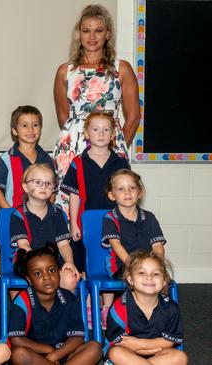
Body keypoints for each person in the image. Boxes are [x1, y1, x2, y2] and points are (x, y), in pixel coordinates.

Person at [53, 4, 140, 210]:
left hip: (110, 145)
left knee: (112, 204)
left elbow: (134, 116)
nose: (92, 37)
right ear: (79, 34)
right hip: (73, 147)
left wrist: (116, 145)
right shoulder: (65, 72)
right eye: (86, 30)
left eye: (98, 30)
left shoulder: (123, 69)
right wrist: (75, 139)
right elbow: (64, 118)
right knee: (71, 209)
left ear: (107, 34)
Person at [59, 111, 130, 273]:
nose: (101, 134)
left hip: (115, 222)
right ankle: (87, 297)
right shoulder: (78, 163)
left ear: (113, 135)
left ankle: (113, 297)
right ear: (86, 133)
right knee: (85, 265)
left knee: (112, 264)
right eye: (95, 129)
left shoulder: (121, 163)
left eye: (106, 130)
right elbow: (74, 195)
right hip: (85, 223)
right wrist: (74, 224)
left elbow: (128, 197)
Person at [8, 243, 102, 365]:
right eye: (38, 273)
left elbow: (77, 337)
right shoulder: (22, 301)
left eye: (52, 270)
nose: (47, 277)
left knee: (95, 347)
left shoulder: (68, 298)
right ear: (29, 279)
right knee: (19, 354)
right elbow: (17, 340)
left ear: (59, 273)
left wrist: (54, 355)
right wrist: (48, 350)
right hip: (36, 355)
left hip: (63, 352)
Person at [100, 169, 166, 327]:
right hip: (122, 264)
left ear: (140, 192)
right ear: (111, 195)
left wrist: (158, 266)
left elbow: (157, 246)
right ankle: (129, 315)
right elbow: (116, 246)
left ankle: (159, 315)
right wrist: (133, 264)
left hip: (147, 263)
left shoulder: (149, 217)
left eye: (132, 188)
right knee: (141, 278)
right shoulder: (110, 218)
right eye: (120, 189)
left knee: (160, 280)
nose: (127, 192)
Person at [105, 251, 188, 365]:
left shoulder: (171, 308)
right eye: (141, 273)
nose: (149, 277)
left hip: (156, 353)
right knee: (116, 353)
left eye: (156, 274)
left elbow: (169, 341)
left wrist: (141, 344)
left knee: (180, 357)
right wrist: (142, 349)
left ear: (164, 282)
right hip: (128, 353)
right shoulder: (119, 307)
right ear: (130, 279)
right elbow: (120, 342)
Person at [10, 163, 79, 293]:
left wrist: (69, 262)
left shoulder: (58, 213)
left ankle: (62, 310)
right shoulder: (18, 215)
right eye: (37, 182)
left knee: (69, 278)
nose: (43, 186)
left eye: (48, 183)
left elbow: (64, 245)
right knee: (37, 277)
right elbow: (24, 245)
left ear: (53, 188)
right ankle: (30, 310)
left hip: (53, 262)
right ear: (25, 187)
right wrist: (42, 268)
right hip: (28, 262)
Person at [0, 106, 54, 209]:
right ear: (14, 130)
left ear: (40, 128)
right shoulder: (7, 158)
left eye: (35, 125)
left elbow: (53, 190)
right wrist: (9, 212)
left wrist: (48, 210)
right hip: (15, 217)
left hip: (42, 218)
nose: (31, 129)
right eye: (24, 125)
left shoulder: (47, 159)